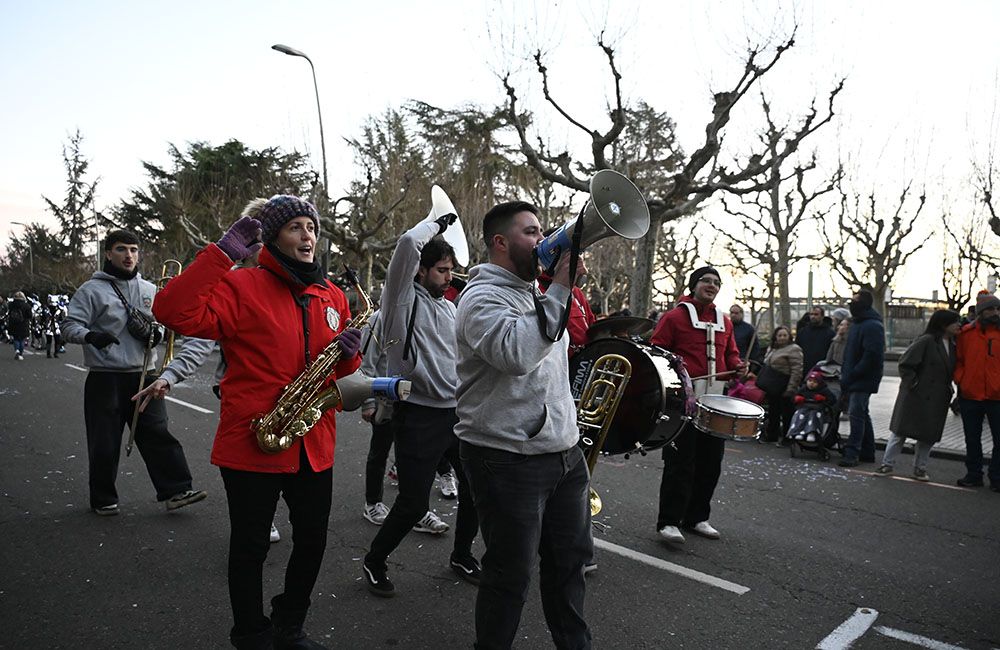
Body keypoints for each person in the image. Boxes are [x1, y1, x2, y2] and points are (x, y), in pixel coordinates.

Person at [152, 195, 363, 649]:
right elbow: (172, 311)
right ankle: (251, 634)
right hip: (252, 442)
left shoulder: (331, 294)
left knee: (312, 541)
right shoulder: (241, 285)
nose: (308, 236)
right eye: (296, 228)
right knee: (250, 546)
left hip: (311, 439)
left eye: (312, 227)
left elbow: (341, 373)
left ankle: (290, 624)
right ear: (272, 236)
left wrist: (351, 355)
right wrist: (223, 252)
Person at [455, 200, 593, 650]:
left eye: (541, 231)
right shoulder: (480, 297)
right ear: (500, 242)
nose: (542, 239)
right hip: (506, 458)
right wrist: (558, 288)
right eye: (531, 232)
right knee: (509, 575)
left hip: (562, 455)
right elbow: (516, 356)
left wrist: (561, 290)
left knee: (569, 566)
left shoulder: (535, 291)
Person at [362, 213, 481, 598]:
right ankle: (374, 560)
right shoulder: (401, 300)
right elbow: (405, 248)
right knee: (413, 504)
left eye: (450, 270)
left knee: (476, 493)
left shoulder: (450, 307)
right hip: (418, 416)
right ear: (420, 271)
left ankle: (462, 555)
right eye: (442, 270)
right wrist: (436, 222)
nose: (449, 277)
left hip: (458, 415)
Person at [59, 230, 209, 517]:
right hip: (106, 377)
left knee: (157, 434)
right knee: (104, 440)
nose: (128, 255)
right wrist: (91, 336)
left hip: (146, 373)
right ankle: (103, 498)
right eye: (121, 249)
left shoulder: (150, 290)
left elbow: (168, 325)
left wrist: (159, 332)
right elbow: (68, 327)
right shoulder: (91, 291)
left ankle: (177, 490)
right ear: (108, 254)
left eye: (133, 249)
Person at [651, 266, 745, 544]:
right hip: (683, 403)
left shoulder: (725, 321)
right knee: (680, 463)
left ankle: (697, 517)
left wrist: (738, 367)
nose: (712, 285)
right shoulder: (674, 317)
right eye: (706, 280)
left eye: (717, 282)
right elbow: (657, 352)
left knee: (710, 462)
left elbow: (731, 355)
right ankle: (668, 522)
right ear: (693, 285)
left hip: (716, 403)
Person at [875, 309, 961, 481]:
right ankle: (887, 464)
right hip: (916, 394)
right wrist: (913, 383)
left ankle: (920, 468)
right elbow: (906, 363)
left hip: (938, 396)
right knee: (900, 431)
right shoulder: (927, 340)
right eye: (955, 322)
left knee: (928, 435)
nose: (959, 325)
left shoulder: (953, 345)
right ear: (944, 324)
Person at [953, 291, 1000, 491]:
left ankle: (996, 478)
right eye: (990, 309)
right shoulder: (966, 334)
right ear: (981, 312)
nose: (995, 312)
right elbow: (959, 360)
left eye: (997, 309)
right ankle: (974, 475)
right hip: (970, 394)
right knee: (972, 438)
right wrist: (961, 380)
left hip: (997, 396)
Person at [837, 289, 885, 467]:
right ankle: (867, 451)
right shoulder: (860, 323)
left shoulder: (871, 325)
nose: (851, 304)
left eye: (855, 301)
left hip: (862, 377)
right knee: (862, 413)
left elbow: (871, 355)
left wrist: (853, 373)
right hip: (857, 375)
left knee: (856, 414)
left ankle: (853, 452)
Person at [761, 325, 804, 443]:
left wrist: (791, 388)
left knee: (787, 413)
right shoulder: (772, 348)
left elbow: (797, 370)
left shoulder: (794, 349)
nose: (782, 338)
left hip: (785, 383)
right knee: (773, 411)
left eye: (785, 335)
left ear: (789, 336)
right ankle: (772, 435)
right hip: (773, 385)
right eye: (779, 335)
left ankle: (787, 437)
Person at [786, 369, 838, 443]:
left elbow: (832, 400)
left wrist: (824, 399)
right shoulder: (803, 389)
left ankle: (812, 432)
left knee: (814, 416)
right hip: (804, 408)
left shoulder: (824, 390)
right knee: (799, 414)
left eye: (814, 382)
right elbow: (793, 398)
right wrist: (796, 399)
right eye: (810, 381)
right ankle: (797, 432)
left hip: (818, 409)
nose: (811, 383)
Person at [795, 306, 836, 372]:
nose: (813, 317)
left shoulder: (830, 333)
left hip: (822, 369)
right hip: (804, 368)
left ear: (822, 316)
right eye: (811, 314)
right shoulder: (802, 332)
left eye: (816, 314)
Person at [7, 291, 31, 360]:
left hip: (14, 324)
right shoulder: (27, 305)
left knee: (16, 338)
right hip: (24, 324)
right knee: (22, 339)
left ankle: (16, 350)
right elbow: (30, 315)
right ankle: (20, 353)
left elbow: (9, 313)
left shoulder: (11, 305)